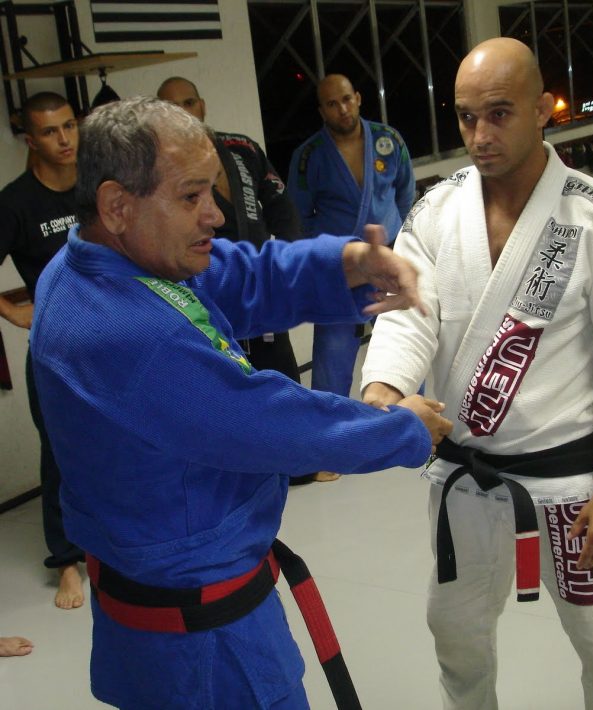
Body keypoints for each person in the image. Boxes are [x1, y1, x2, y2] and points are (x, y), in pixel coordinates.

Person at [29, 96, 453, 709]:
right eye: (191, 196)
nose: (217, 214)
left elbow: (238, 274)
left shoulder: (89, 267)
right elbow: (270, 423)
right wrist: (398, 427)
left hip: (149, 603)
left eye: (213, 191)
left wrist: (349, 263)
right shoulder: (128, 332)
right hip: (205, 643)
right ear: (117, 205)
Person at [362, 37, 593, 709]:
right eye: (466, 117)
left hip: (570, 486)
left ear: (542, 109)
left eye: (498, 114)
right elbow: (409, 316)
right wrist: (384, 392)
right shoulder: (435, 211)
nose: (479, 135)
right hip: (464, 482)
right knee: (455, 638)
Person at [156, 77, 330, 484]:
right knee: (227, 385)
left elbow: (280, 203)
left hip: (255, 283)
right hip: (205, 288)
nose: (183, 113)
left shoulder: (241, 149)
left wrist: (294, 258)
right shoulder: (160, 170)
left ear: (202, 105)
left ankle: (299, 465)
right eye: (172, 107)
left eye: (188, 103)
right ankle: (247, 471)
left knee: (282, 377)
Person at [0, 92, 85, 610]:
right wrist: (12, 311)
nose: (64, 139)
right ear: (31, 141)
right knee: (59, 452)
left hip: (114, 336)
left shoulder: (98, 182)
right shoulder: (16, 203)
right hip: (56, 347)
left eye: (69, 126)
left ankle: (122, 543)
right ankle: (67, 562)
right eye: (51, 132)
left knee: (126, 439)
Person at [288, 74, 416, 400]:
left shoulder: (389, 140)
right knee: (331, 362)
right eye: (332, 104)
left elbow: (406, 194)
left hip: (387, 257)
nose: (342, 109)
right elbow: (298, 215)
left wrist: (402, 241)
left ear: (358, 98)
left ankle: (414, 420)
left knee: (402, 350)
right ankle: (331, 424)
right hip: (340, 266)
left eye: (346, 99)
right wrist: (324, 253)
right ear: (322, 111)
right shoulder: (309, 156)